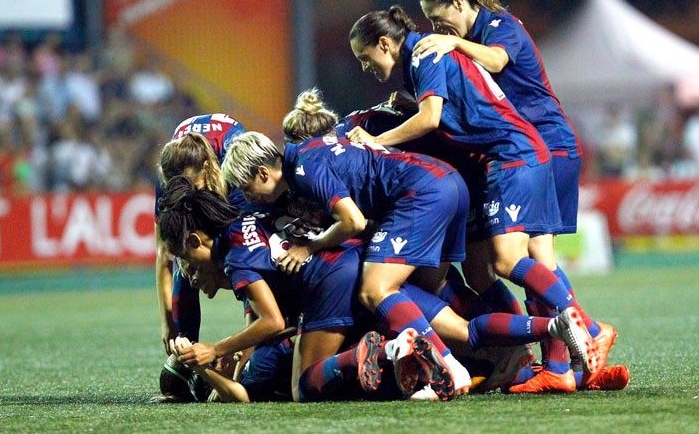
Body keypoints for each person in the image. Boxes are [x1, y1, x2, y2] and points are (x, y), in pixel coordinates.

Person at [346, 5, 610, 390]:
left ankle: (586, 326)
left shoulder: (424, 54)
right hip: (505, 159)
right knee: (484, 271)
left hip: (509, 156)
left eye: (363, 57)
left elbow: (431, 117)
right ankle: (536, 363)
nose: (364, 67)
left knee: (508, 261)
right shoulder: (425, 58)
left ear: (384, 43)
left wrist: (375, 141)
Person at [414, 0, 617, 391]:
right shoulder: (475, 34)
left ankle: (583, 333)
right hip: (532, 148)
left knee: (531, 258)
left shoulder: (499, 25)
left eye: (439, 17)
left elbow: (496, 59)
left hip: (547, 145)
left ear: (460, 1)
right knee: (530, 260)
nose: (438, 28)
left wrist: (454, 46)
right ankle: (560, 367)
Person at [221, 130, 475, 400]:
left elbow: (354, 222)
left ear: (263, 173)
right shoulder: (309, 151)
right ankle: (506, 356)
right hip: (448, 180)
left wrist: (310, 246)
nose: (248, 198)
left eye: (247, 188)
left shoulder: (304, 169)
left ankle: (450, 368)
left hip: (420, 194)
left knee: (375, 290)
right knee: (428, 289)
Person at [155, 114, 246, 355]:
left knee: (244, 259)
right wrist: (169, 322)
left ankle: (254, 348)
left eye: (191, 188)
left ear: (207, 169)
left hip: (230, 171)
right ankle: (187, 350)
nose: (184, 194)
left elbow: (248, 250)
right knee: (185, 252)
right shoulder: (167, 181)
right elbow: (165, 253)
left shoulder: (236, 167)